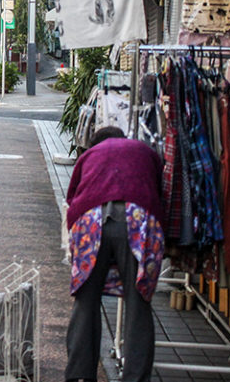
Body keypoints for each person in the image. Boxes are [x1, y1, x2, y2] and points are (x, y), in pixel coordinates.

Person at [64, 126, 166, 382]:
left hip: (90, 220)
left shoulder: (89, 156)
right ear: (122, 139)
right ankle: (135, 377)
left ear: (97, 144)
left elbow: (72, 197)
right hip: (139, 218)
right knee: (137, 300)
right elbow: (158, 191)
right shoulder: (145, 151)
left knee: (86, 299)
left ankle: (80, 375)